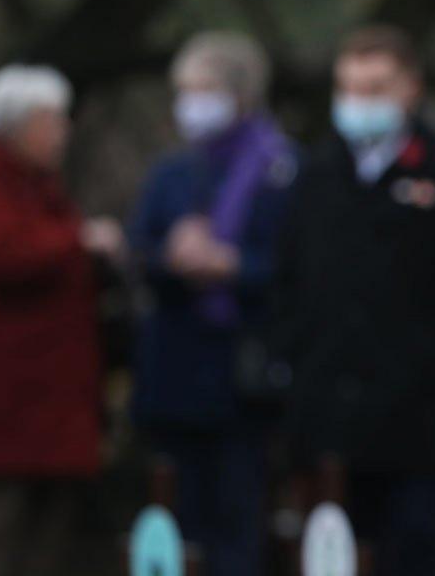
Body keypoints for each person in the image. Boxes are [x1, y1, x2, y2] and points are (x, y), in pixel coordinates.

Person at [275, 25, 435, 575]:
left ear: (410, 89)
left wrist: (425, 359)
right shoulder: (314, 173)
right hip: (324, 412)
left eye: (375, 87)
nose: (359, 101)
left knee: (411, 547)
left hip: (409, 417)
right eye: (349, 88)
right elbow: (286, 277)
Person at [129, 32, 301, 576]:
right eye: (184, 91)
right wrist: (171, 257)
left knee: (237, 524)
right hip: (176, 375)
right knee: (176, 524)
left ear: (240, 94)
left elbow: (297, 269)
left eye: (203, 89)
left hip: (242, 382)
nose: (190, 104)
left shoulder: (283, 170)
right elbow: (141, 254)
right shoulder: (172, 173)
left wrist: (233, 266)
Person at [0, 64, 123, 575]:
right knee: (1, 540)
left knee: (50, 548)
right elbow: (2, 256)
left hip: (53, 412)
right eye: (53, 120)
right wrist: (79, 244)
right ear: (19, 124)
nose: (63, 133)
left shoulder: (39, 186)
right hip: (5, 412)